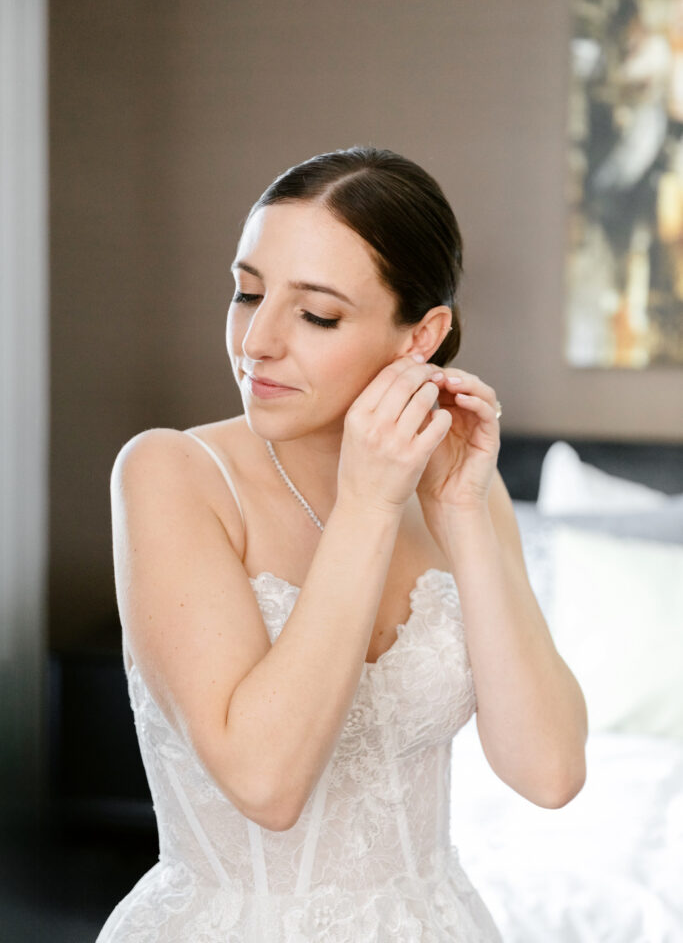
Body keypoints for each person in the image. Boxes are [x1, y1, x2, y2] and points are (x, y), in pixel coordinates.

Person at [97, 146, 588, 941]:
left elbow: (550, 773)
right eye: (247, 292)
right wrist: (368, 502)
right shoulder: (171, 474)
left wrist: (462, 511)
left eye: (315, 314)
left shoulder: (462, 485)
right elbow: (265, 784)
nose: (256, 341)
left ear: (419, 335)